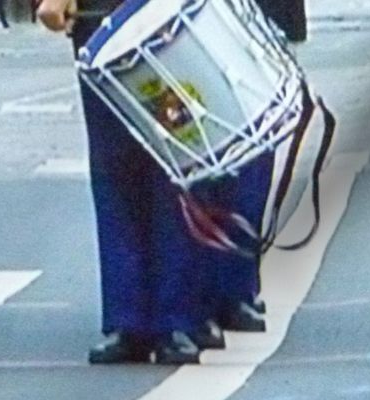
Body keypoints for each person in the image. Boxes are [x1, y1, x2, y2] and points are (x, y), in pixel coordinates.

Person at [37, 0, 273, 364]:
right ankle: (128, 318)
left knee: (177, 163)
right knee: (115, 169)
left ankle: (177, 316)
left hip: (171, 15)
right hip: (102, 17)